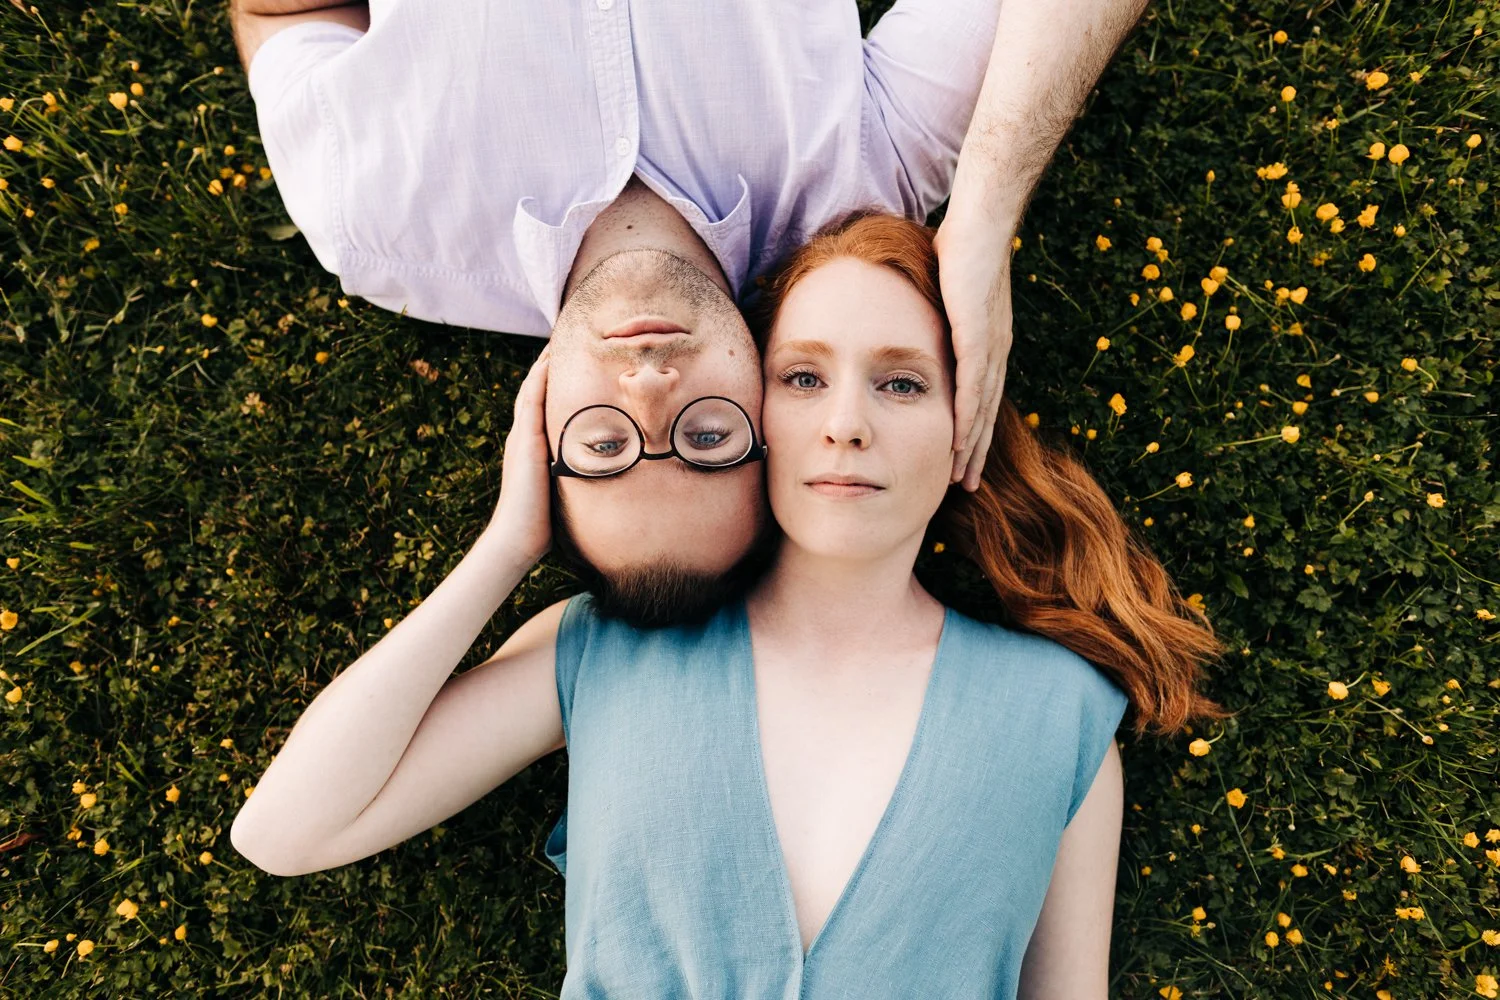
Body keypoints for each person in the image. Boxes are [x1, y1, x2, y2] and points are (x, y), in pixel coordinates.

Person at [230, 213, 1229, 997]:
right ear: (753, 412)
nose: (844, 425)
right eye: (803, 377)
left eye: (901, 384)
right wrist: (511, 543)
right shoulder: (608, 656)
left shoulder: (1058, 721)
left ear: (964, 425)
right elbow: (285, 831)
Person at [227, 0, 1154, 624]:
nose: (653, 391)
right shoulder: (863, 171)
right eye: (710, 440)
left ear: (535, 432)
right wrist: (984, 218)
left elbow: (288, 11)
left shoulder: (374, 220)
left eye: (604, 447)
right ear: (770, 407)